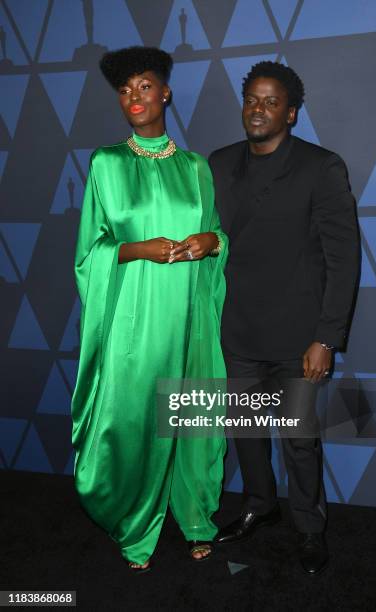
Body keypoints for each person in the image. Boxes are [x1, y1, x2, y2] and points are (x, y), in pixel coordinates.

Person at [71, 46, 228, 572]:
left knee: (189, 414)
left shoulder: (197, 168)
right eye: (124, 89)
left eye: (144, 86)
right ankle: (136, 525)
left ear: (165, 93)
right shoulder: (106, 164)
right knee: (138, 419)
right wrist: (140, 248)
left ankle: (195, 516)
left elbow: (215, 234)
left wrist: (213, 241)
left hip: (187, 316)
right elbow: (88, 254)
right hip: (134, 319)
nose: (133, 97)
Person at [208, 61, 360, 574]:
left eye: (272, 101)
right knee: (246, 430)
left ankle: (310, 528)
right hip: (237, 332)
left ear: (291, 112)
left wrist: (327, 337)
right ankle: (258, 504)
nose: (259, 109)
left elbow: (343, 259)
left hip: (300, 338)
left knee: (299, 438)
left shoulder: (322, 167)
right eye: (252, 98)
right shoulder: (218, 164)